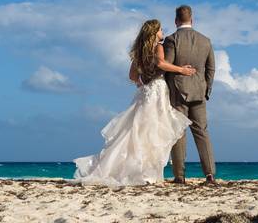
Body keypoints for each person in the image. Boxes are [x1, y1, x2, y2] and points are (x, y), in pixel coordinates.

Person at [73, 19, 195, 186]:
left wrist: (142, 82)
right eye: (160, 30)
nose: (162, 32)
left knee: (139, 130)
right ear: (154, 32)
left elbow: (132, 76)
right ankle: (147, 172)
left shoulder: (139, 51)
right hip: (158, 90)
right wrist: (182, 70)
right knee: (153, 130)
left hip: (146, 92)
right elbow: (161, 63)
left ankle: (139, 170)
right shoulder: (158, 47)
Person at [163, 4, 217, 186]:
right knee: (202, 132)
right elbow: (211, 68)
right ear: (192, 20)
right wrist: (206, 89)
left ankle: (179, 176)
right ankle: (210, 175)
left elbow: (167, 66)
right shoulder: (206, 41)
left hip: (178, 92)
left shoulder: (172, 40)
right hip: (199, 92)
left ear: (176, 20)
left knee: (178, 133)